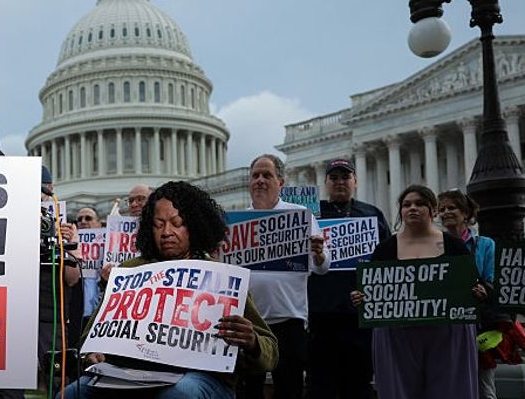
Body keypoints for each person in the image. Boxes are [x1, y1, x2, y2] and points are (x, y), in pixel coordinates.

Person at [61, 181, 278, 399]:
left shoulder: (220, 276)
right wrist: (92, 352)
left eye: (177, 223)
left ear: (194, 225)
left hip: (198, 379)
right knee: (69, 394)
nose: (166, 232)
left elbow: (271, 352)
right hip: (128, 375)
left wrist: (252, 342)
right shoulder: (128, 272)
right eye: (158, 224)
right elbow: (90, 335)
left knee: (180, 393)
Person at [350, 185, 480, 399]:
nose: (412, 208)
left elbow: (472, 282)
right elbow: (369, 289)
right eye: (406, 204)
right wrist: (361, 297)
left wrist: (479, 291)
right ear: (400, 211)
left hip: (447, 333)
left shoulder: (454, 246)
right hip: (397, 334)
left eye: (420, 204)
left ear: (433, 210)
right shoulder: (385, 249)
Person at [238, 154, 325, 399]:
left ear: (281, 182)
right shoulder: (236, 223)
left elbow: (322, 268)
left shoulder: (300, 215)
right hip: (250, 321)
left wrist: (318, 254)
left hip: (290, 318)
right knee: (249, 391)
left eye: (267, 175)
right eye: (255, 176)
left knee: (289, 388)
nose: (260, 180)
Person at [307, 158, 390, 399]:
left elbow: (384, 262)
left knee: (359, 383)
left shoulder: (372, 214)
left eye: (345, 177)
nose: (339, 182)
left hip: (359, 316)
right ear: (326, 183)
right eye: (334, 178)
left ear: (355, 181)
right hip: (321, 313)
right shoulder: (312, 214)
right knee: (320, 384)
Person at [437, 189, 509, 399]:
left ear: (466, 213)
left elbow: (492, 278)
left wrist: (484, 290)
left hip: (477, 325)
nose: (446, 212)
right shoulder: (434, 245)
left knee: (484, 388)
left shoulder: (485, 245)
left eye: (452, 208)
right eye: (442, 209)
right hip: (445, 326)